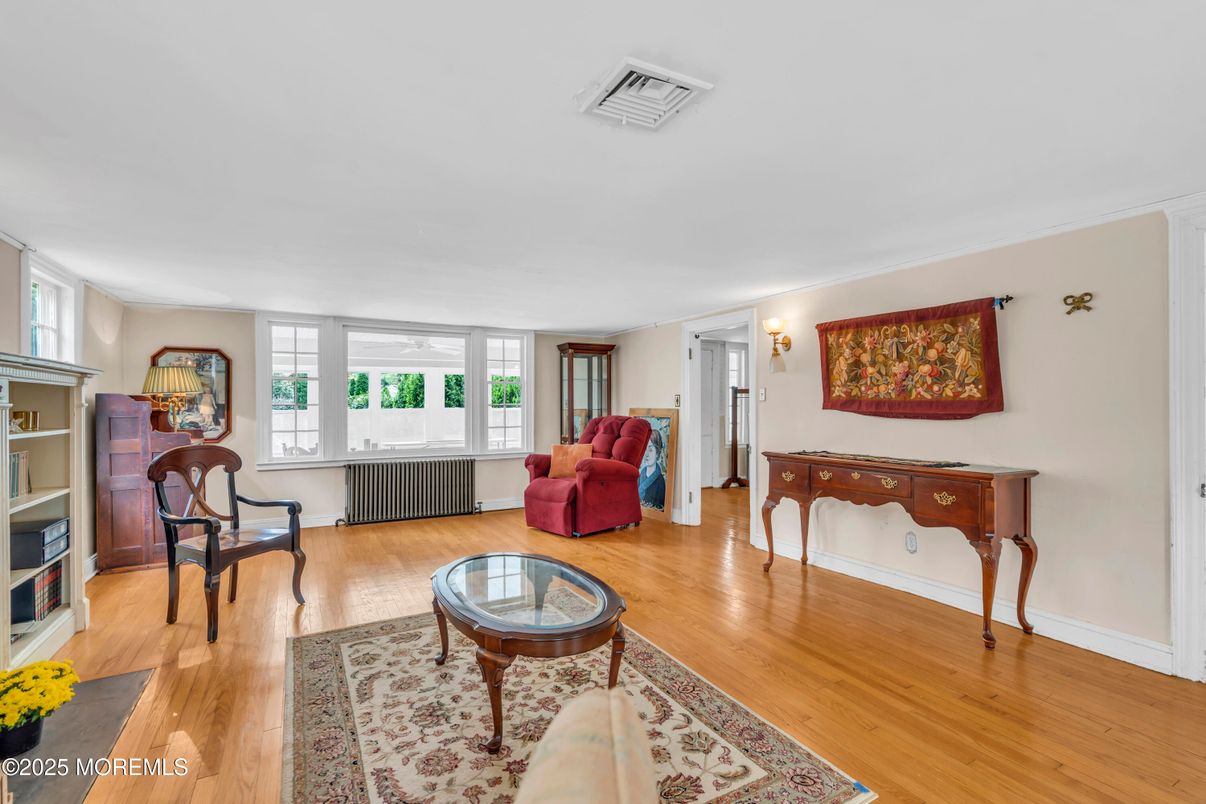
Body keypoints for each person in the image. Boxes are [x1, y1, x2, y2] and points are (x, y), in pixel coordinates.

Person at [638, 428, 666, 510]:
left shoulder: (660, 482)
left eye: (650, 450)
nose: (646, 454)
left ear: (657, 453)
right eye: (645, 449)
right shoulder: (639, 476)